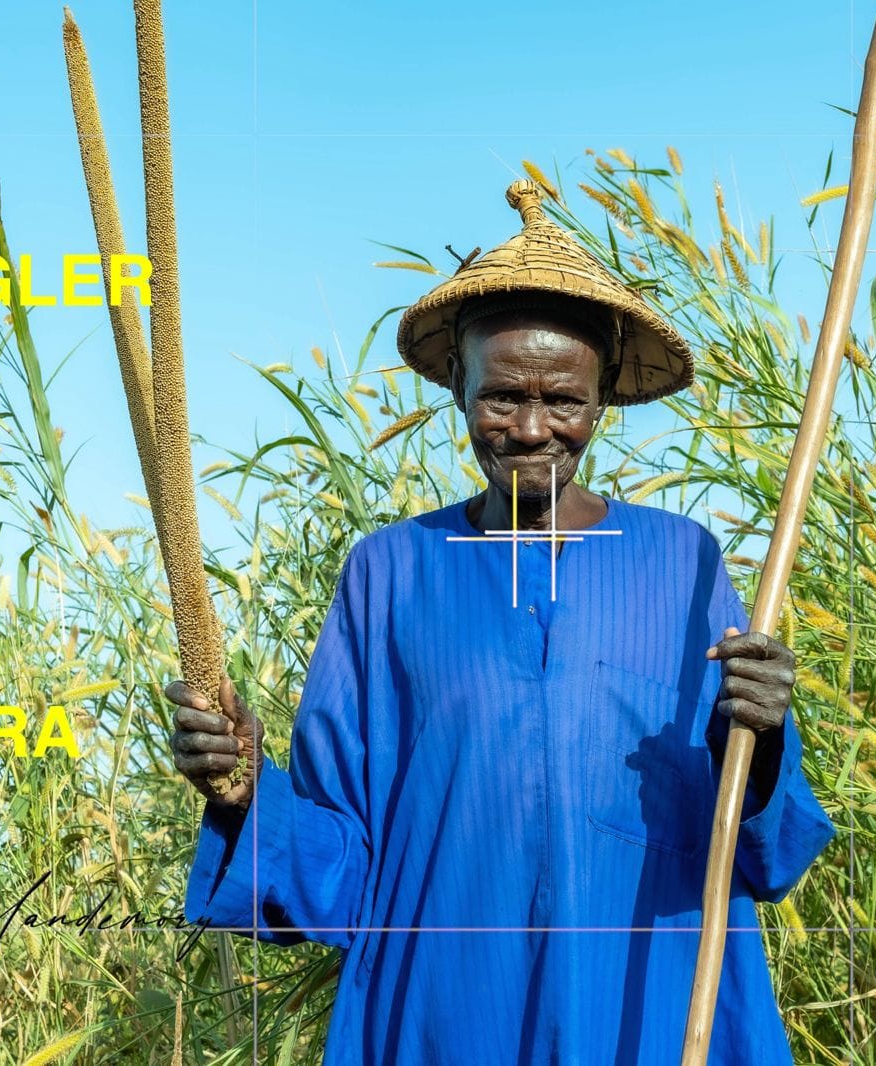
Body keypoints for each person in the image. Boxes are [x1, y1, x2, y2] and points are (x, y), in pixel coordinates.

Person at [170, 180, 835, 1064]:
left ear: (602, 403)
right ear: (458, 388)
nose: (530, 430)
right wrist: (251, 786)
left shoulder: (683, 563)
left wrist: (760, 731)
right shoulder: (392, 571)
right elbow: (342, 850)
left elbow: (758, 834)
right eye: (500, 397)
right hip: (444, 1010)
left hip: (651, 999)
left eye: (562, 401)